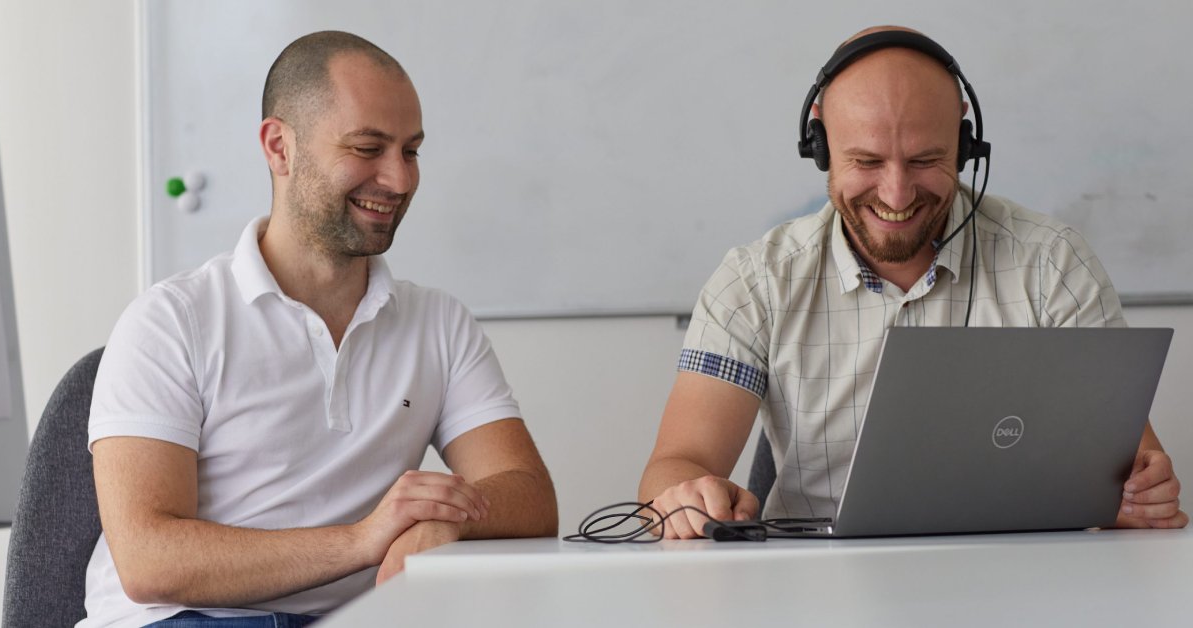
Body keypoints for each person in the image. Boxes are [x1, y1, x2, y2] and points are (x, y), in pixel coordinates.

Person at [81, 31, 557, 627]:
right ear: (280, 147)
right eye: (367, 148)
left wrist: (448, 517)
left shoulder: (439, 322)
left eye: (411, 151)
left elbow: (530, 494)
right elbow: (149, 562)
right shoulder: (171, 320)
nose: (400, 180)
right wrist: (364, 539)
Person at [638, 25, 1186, 539]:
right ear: (821, 146)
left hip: (1020, 585)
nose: (897, 195)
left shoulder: (1052, 263)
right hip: (811, 587)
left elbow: (1128, 472)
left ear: (965, 142)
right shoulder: (756, 281)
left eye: (926, 159)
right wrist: (683, 496)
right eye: (866, 161)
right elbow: (674, 467)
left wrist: (1140, 496)